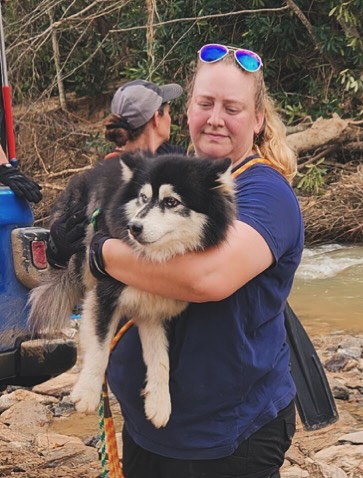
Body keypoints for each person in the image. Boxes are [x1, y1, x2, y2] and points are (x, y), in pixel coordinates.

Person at [54, 44, 304, 478]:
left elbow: (207, 279)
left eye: (232, 108)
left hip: (228, 434)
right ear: (187, 110)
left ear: (258, 119)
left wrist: (100, 253)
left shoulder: (267, 194)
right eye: (205, 103)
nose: (215, 118)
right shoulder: (171, 173)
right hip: (150, 422)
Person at [46, 78, 183, 269]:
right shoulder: (142, 179)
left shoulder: (96, 179)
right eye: (168, 112)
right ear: (155, 118)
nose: (170, 118)